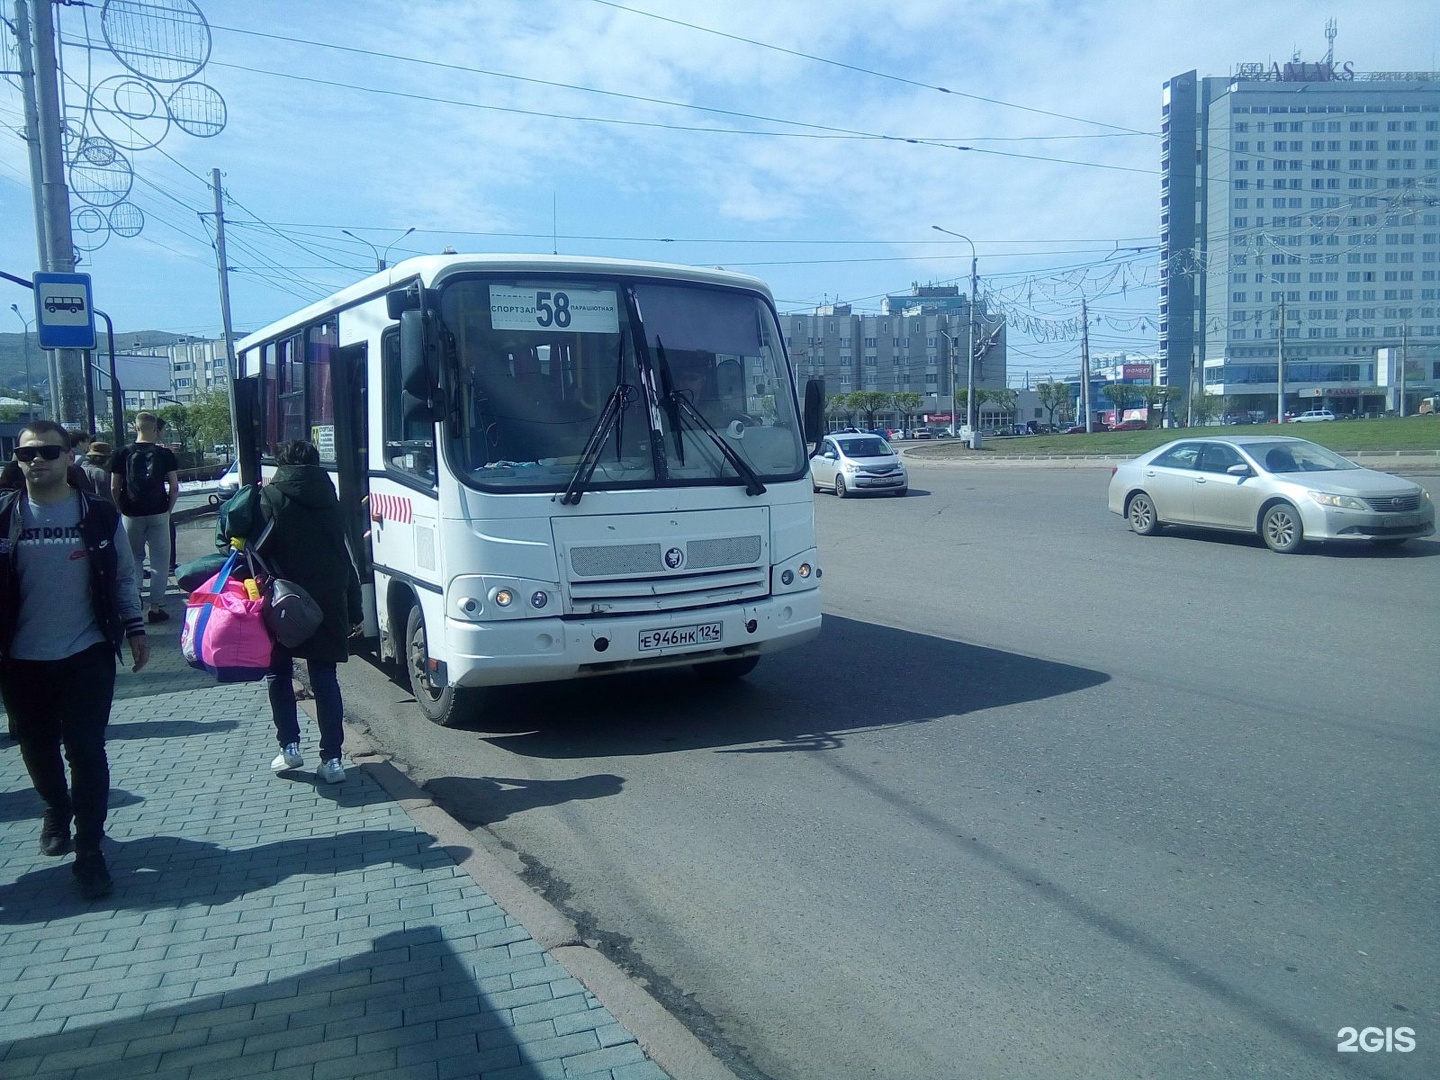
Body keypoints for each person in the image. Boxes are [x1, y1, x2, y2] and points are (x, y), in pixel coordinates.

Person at [0, 419, 149, 900]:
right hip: (20, 659)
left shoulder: (99, 514)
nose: (37, 461)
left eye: (47, 452)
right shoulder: (4, 515)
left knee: (86, 750)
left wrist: (135, 627)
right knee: (37, 748)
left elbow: (125, 574)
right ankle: (55, 807)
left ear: (69, 457)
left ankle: (89, 851)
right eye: (27, 455)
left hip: (86, 652)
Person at [257, 440, 363, 784]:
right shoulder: (332, 500)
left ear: (282, 464)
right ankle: (333, 761)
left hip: (283, 600)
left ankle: (289, 747)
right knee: (325, 677)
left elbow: (254, 546)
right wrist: (355, 606)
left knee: (278, 673)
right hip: (328, 600)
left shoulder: (271, 497)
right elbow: (344, 555)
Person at [108, 412, 180, 623]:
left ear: (136, 428)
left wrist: (120, 508)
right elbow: (174, 487)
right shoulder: (165, 454)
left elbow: (114, 486)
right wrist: (168, 510)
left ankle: (136, 598)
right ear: (156, 429)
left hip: (131, 512)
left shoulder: (121, 453)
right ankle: (155, 608)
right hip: (159, 512)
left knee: (134, 558)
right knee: (160, 561)